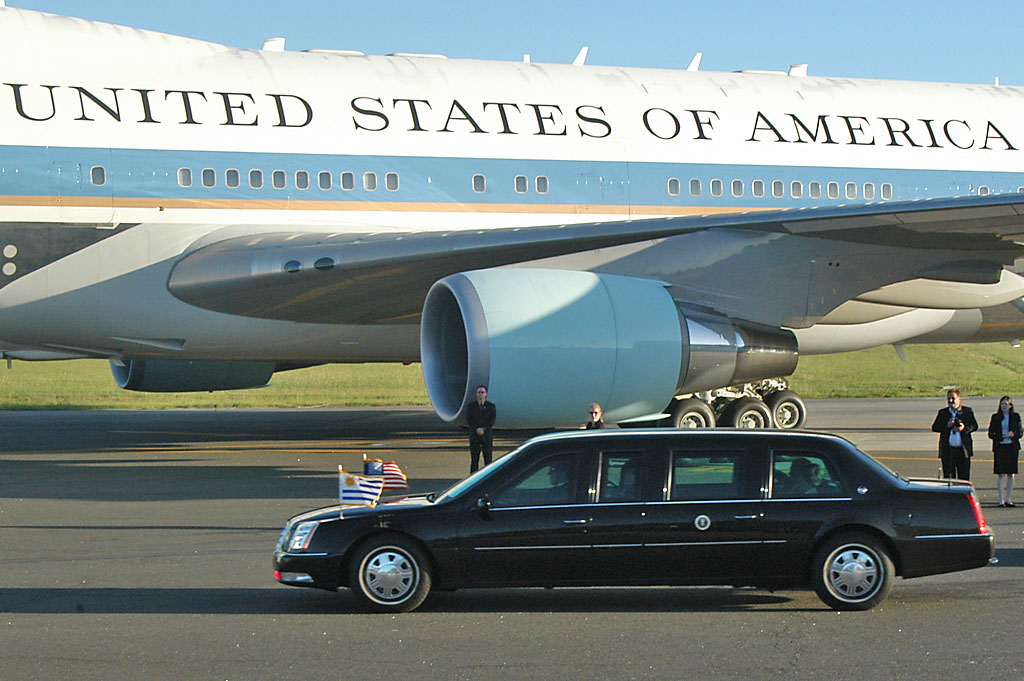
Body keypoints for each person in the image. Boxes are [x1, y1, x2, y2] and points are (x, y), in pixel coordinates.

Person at [931, 389, 978, 480]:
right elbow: (935, 427)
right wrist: (947, 426)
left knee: (964, 478)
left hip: (963, 451)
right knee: (949, 477)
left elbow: (974, 426)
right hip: (948, 451)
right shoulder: (943, 413)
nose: (951, 401)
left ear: (959, 399)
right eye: (949, 398)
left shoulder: (967, 411)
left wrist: (964, 428)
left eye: (953, 398)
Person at [987, 395, 1021, 507]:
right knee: (1000, 474)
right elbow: (990, 433)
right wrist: (1000, 436)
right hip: (1000, 447)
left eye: (1006, 404)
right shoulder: (996, 417)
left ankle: (1009, 499)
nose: (1004, 406)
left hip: (1011, 447)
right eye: (1002, 404)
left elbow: (1020, 432)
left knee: (1011, 473)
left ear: (1010, 405)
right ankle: (1001, 500)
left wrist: (1013, 434)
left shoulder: (1016, 417)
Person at [466, 385, 496, 473]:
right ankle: (473, 478)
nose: (480, 394)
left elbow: (492, 421)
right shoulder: (471, 406)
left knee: (488, 459)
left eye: (482, 392)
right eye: (478, 392)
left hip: (486, 436)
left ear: (486, 394)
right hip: (475, 436)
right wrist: (476, 429)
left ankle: (488, 476)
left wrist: (483, 429)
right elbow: (469, 420)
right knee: (474, 459)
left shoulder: (491, 407)